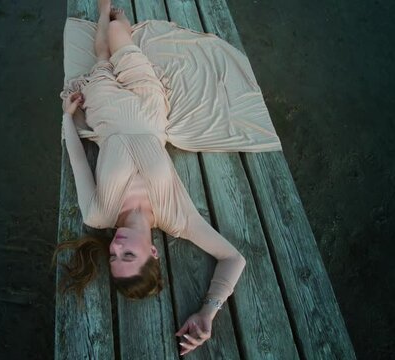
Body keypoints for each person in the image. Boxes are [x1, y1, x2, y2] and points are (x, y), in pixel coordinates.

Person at [52, 0, 259, 356]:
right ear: (152, 252)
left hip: (104, 110)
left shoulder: (97, 214)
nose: (115, 247)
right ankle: (113, 22)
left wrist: (68, 117)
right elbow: (234, 259)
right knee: (121, 32)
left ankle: (103, 14)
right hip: (149, 106)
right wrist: (208, 311)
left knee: (103, 54)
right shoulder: (179, 219)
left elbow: (77, 162)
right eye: (127, 255)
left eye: (113, 257)